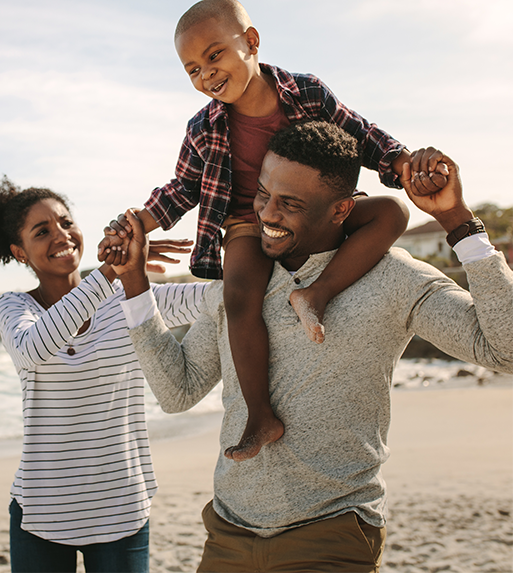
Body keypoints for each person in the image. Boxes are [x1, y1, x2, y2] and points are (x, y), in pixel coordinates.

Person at [106, 121, 513, 573]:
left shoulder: (393, 277)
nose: (267, 214)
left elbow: (505, 351)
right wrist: (135, 284)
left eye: (290, 204)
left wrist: (456, 220)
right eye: (262, 194)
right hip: (228, 534)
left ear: (341, 209)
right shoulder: (240, 285)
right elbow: (177, 392)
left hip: (331, 536)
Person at [101, 0, 447, 462]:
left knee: (392, 214)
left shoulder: (306, 92)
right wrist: (135, 222)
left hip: (314, 213)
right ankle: (260, 416)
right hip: (248, 220)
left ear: (251, 41)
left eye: (214, 55)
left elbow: (363, 135)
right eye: (192, 70)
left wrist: (405, 163)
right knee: (239, 295)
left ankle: (316, 294)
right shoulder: (203, 127)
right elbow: (182, 188)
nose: (206, 75)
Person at [0, 177, 206, 573]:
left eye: (65, 222)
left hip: (123, 508)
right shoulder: (13, 308)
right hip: (42, 512)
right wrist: (110, 273)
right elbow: (34, 348)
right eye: (42, 231)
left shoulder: (131, 297)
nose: (61, 235)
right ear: (19, 252)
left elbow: (219, 298)